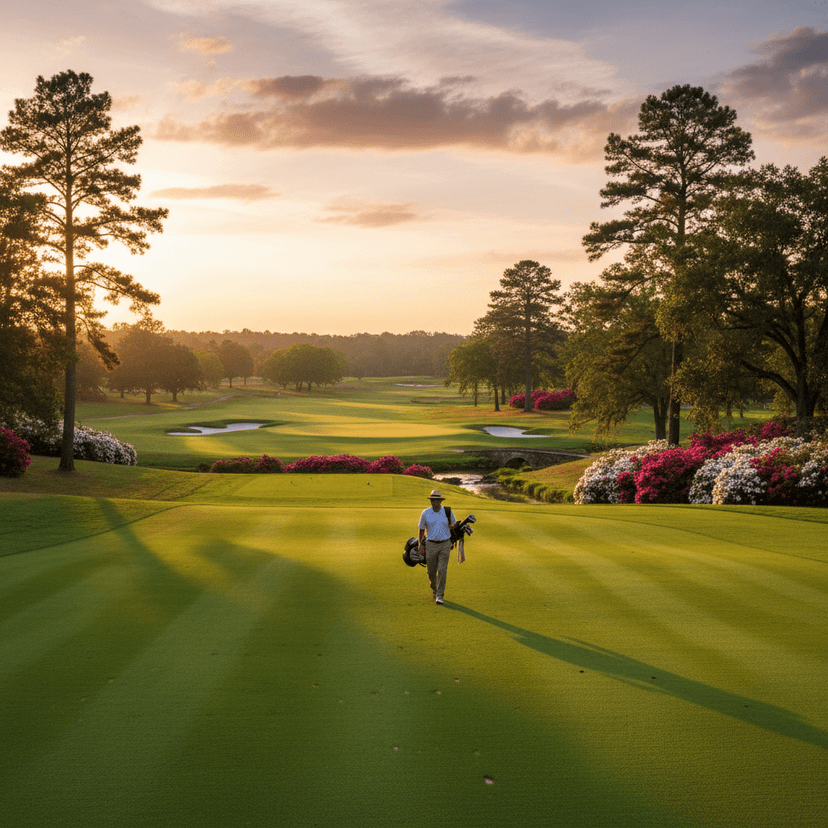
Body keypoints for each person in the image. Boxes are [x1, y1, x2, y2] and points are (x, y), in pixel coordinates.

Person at [418, 490, 456, 605]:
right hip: (431, 544)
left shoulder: (447, 511)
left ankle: (440, 595)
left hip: (445, 544)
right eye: (432, 500)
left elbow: (453, 524)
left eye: (436, 500)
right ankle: (434, 588)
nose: (434, 502)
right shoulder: (425, 512)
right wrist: (420, 543)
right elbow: (421, 529)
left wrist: (453, 526)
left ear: (440, 501)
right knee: (431, 572)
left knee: (442, 570)